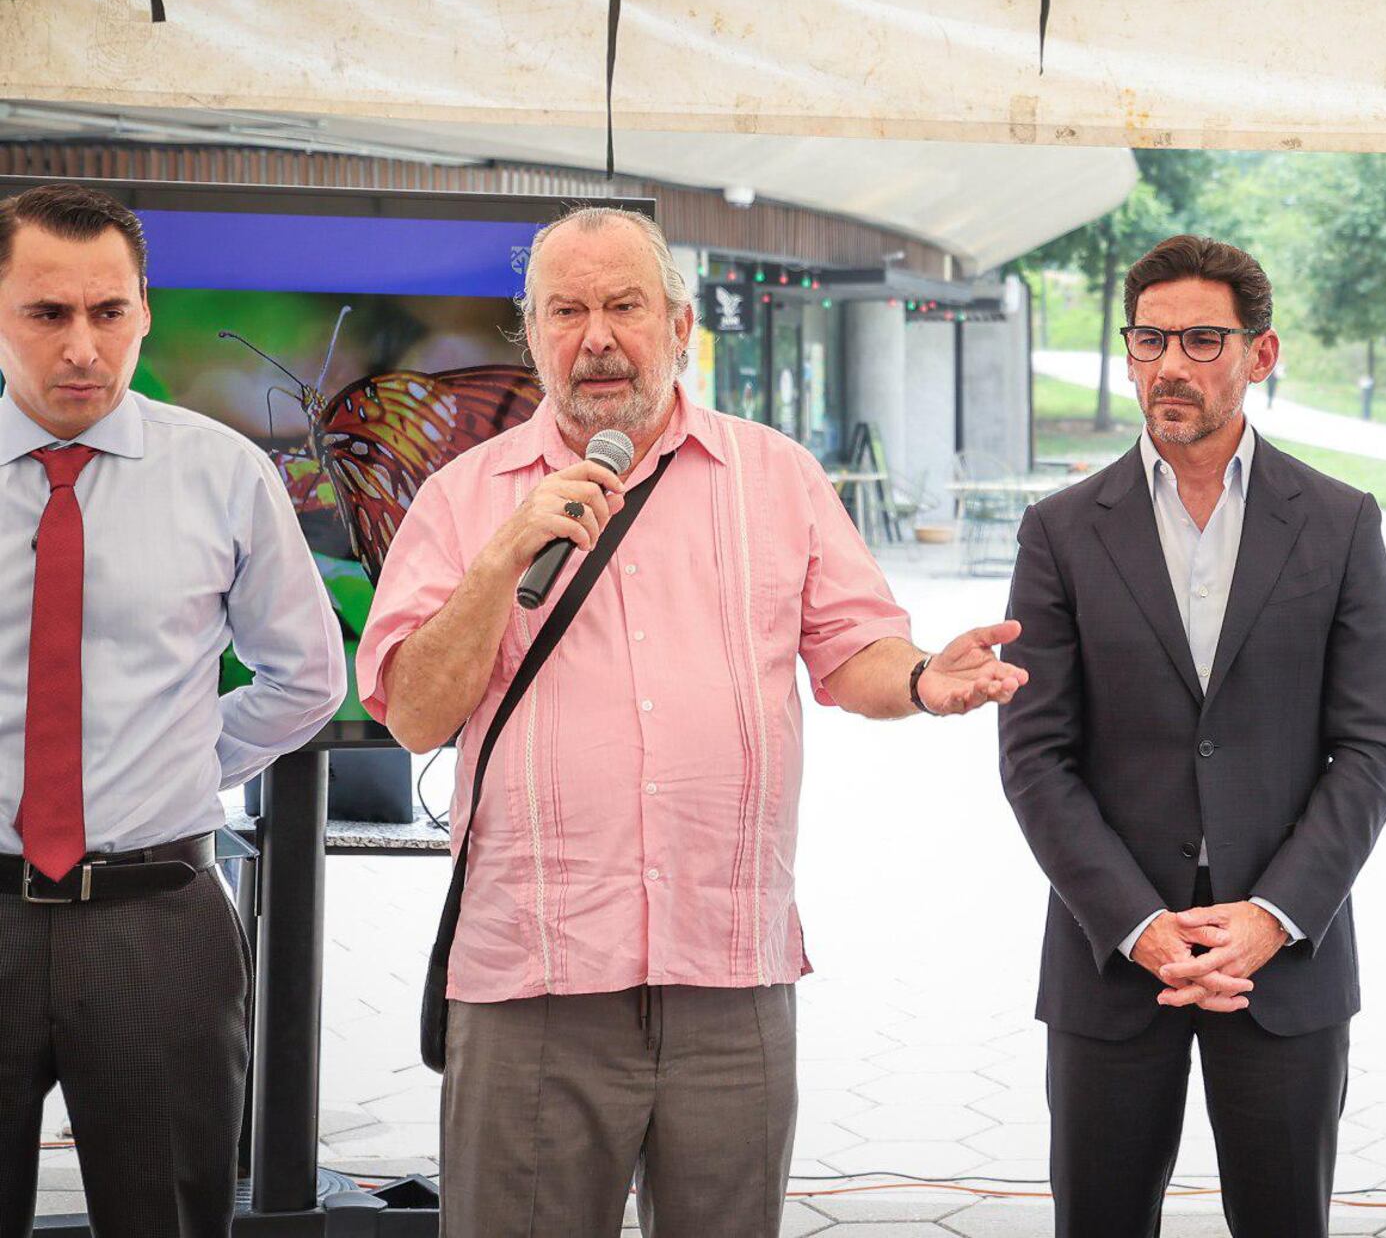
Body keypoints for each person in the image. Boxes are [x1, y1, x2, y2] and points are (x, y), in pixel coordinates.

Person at [356, 206, 1025, 1237]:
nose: (597, 337)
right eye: (565, 311)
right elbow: (411, 714)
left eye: (624, 305)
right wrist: (504, 554)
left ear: (677, 326)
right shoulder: (462, 496)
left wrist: (929, 677)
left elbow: (854, 650)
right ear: (529, 337)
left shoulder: (775, 477)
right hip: (533, 975)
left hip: (728, 972)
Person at [998, 235, 1386, 1238]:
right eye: (1148, 340)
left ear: (1260, 355)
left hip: (1283, 961)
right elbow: (1034, 755)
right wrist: (1139, 926)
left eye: (1201, 339)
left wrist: (1274, 913)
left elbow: (1370, 747)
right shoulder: (1058, 531)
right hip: (1111, 958)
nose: (1169, 364)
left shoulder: (1339, 522)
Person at [0, 182, 344, 1236]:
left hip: (158, 921)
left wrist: (184, 758)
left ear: (146, 309)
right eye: (47, 314)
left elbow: (308, 677)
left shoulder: (222, 474)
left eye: (110, 313)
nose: (83, 348)